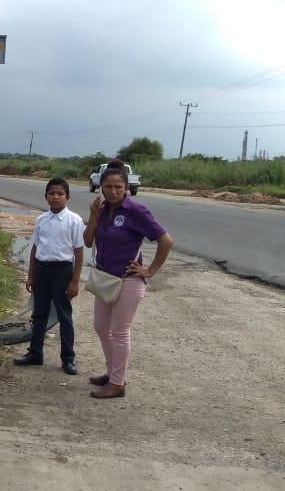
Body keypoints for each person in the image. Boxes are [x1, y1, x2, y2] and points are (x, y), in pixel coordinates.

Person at [83, 159, 174, 399]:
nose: (113, 192)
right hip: (106, 278)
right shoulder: (102, 210)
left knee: (120, 330)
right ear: (100, 187)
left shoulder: (136, 211)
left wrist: (150, 270)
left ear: (126, 188)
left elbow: (166, 241)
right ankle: (113, 371)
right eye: (108, 187)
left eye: (118, 188)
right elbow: (88, 241)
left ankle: (117, 383)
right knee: (101, 327)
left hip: (128, 280)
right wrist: (93, 215)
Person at [14, 178, 85, 375]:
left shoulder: (74, 220)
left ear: (67, 197)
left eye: (60, 194)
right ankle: (35, 353)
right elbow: (35, 248)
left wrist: (75, 280)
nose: (56, 197)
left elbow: (79, 252)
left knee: (64, 316)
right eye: (52, 193)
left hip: (62, 272)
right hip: (42, 271)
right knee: (39, 315)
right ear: (46, 196)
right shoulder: (41, 220)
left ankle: (68, 359)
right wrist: (31, 275)